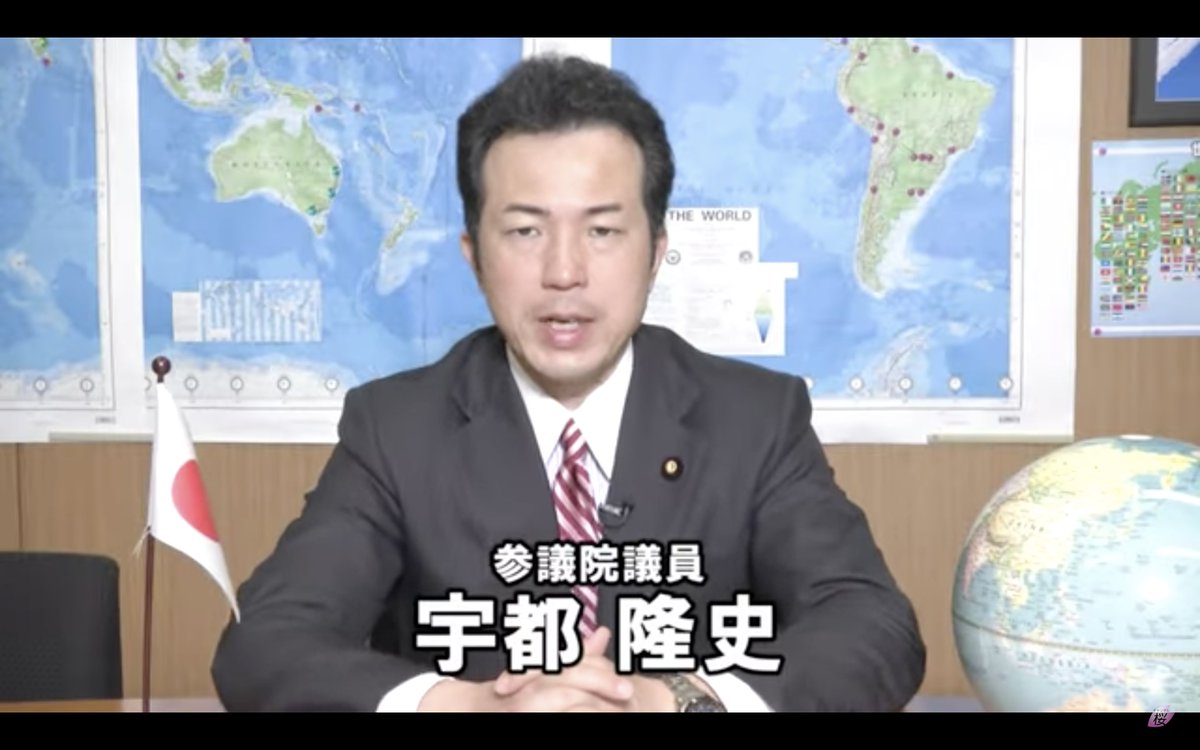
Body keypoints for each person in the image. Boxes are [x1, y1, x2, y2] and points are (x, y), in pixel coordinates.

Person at [210, 53, 926, 713]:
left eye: (602, 231)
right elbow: (264, 645)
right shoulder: (395, 428)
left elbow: (874, 627)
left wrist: (677, 699)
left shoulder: (755, 420)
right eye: (525, 231)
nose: (563, 273)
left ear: (656, 252)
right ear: (473, 255)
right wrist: (464, 706)